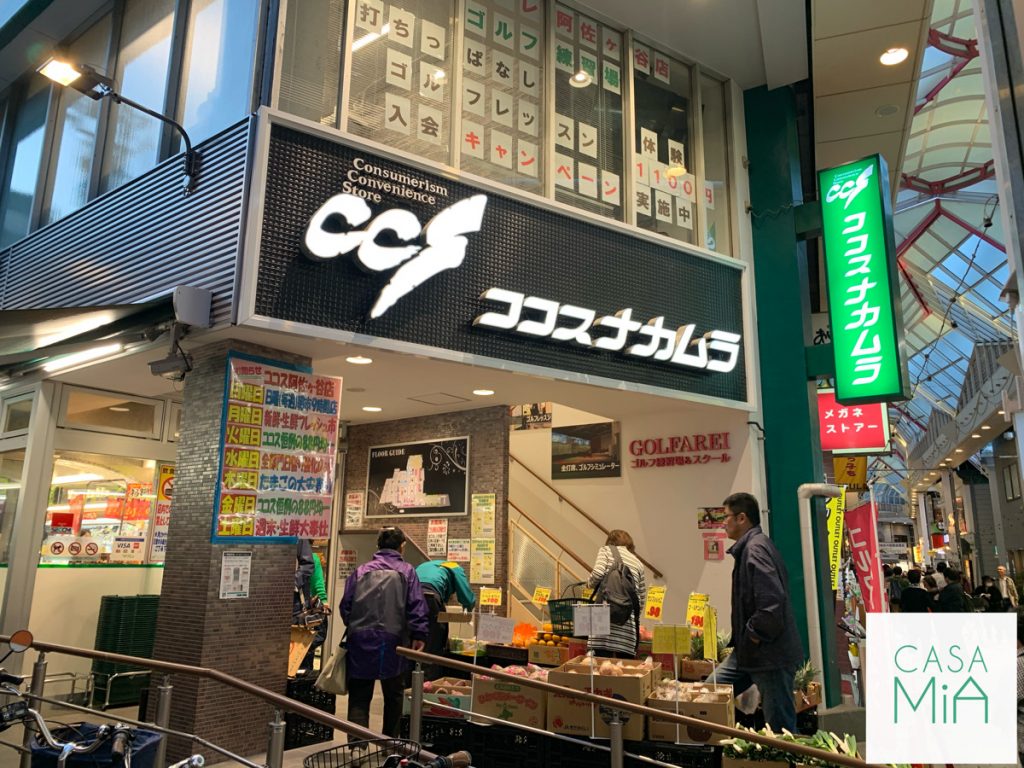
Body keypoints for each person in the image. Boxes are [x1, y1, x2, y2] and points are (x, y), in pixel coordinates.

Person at [707, 493, 803, 732]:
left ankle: (783, 753)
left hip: (769, 654)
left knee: (780, 728)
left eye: (726, 517)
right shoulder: (752, 547)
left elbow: (772, 603)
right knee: (710, 692)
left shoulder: (755, 549)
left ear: (742, 518)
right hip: (749, 653)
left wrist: (753, 635)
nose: (723, 523)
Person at [340, 527, 428, 737]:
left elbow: (346, 606)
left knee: (359, 695)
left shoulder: (361, 571)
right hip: (394, 642)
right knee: (394, 696)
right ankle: (389, 744)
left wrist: (355, 627)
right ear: (402, 546)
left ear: (378, 546)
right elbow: (416, 605)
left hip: (360, 640)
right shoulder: (407, 572)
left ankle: (357, 746)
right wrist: (419, 634)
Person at [586, 530, 646, 658]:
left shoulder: (606, 550)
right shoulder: (639, 563)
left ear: (610, 542)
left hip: (601, 624)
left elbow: (597, 574)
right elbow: (641, 601)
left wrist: (588, 584)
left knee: (599, 667)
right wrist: (624, 611)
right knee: (623, 668)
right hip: (627, 630)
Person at [415, 560, 476, 679]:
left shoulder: (422, 565)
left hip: (410, 598)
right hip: (430, 598)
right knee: (435, 645)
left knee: (412, 644)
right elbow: (467, 598)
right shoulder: (454, 566)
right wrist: (468, 609)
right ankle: (429, 683)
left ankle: (409, 686)